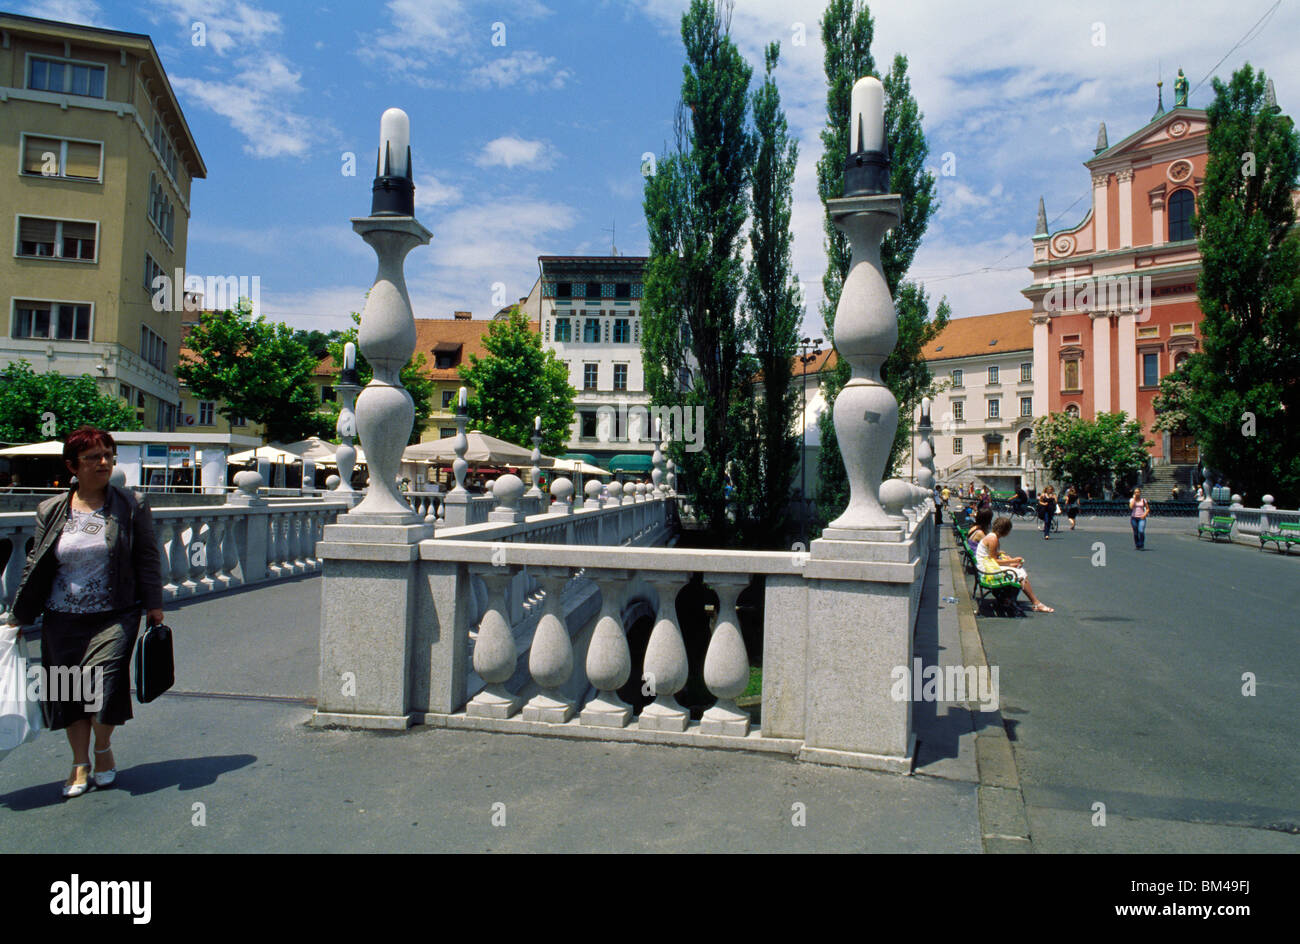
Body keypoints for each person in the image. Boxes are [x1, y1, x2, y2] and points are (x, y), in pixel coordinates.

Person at [5, 427, 164, 798]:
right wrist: (18, 615)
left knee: (104, 685)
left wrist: (154, 605)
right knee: (68, 691)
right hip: (61, 617)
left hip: (115, 613)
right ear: (72, 466)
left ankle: (103, 748)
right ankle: (79, 762)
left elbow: (147, 556)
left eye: (108, 454)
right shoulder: (51, 509)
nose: (104, 462)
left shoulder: (130, 504)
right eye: (94, 457)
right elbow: (35, 564)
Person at [976, 517, 1053, 613]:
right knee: (1021, 574)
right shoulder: (993, 539)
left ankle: (1009, 599)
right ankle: (1036, 603)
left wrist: (1002, 556)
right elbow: (994, 560)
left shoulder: (991, 536)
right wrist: (1012, 561)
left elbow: (991, 556)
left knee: (1017, 570)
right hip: (987, 569)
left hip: (984, 566)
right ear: (1006, 530)